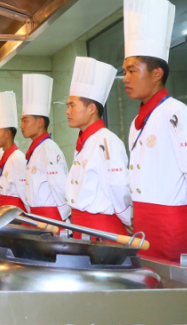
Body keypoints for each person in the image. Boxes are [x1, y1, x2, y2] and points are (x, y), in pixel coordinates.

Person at [123, 0, 187, 264]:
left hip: (176, 226)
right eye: (125, 71)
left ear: (157, 73)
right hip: (147, 227)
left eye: (132, 71)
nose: (126, 78)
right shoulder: (138, 121)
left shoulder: (176, 112)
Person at [64, 57, 132, 238]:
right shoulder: (86, 141)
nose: (67, 111)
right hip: (82, 227)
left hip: (101, 229)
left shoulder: (106, 140)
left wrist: (128, 220)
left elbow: (119, 186)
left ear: (91, 108)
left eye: (72, 105)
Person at [21, 74, 69, 221]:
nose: (21, 126)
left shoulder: (48, 148)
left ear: (40, 123)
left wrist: (63, 222)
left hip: (50, 219)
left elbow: (60, 187)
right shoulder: (36, 149)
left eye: (25, 120)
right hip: (36, 217)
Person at [0, 91, 28, 210]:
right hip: (5, 209)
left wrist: (28, 215)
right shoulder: (6, 157)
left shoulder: (17, 157)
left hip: (15, 212)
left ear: (7, 134)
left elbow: (24, 191)